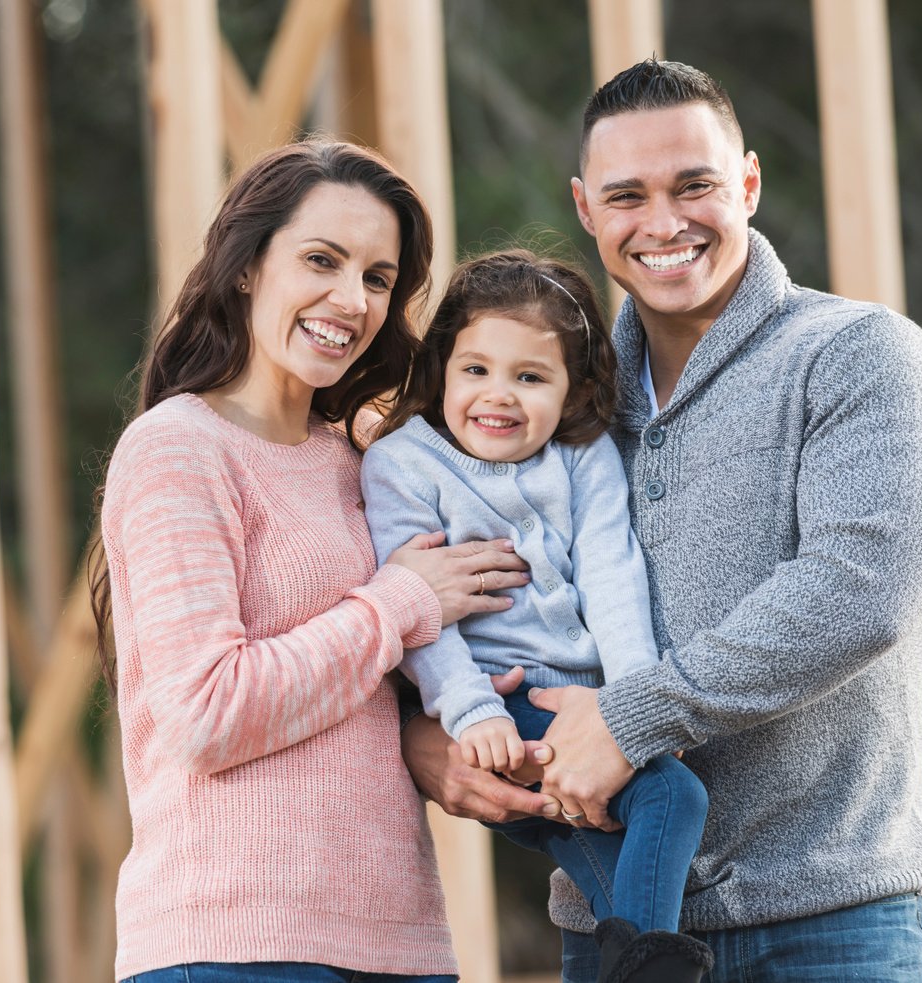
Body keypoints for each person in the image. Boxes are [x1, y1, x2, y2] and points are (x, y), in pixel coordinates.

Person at [400, 59, 922, 983]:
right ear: (587, 210)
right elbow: (446, 580)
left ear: (747, 181)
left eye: (694, 185)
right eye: (628, 195)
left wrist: (632, 716)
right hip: (610, 923)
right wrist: (426, 741)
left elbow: (860, 592)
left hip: (826, 923)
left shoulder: (862, 356)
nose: (663, 224)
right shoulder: (552, 405)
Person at [93, 139, 541, 983]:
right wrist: (400, 601)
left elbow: (361, 692)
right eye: (322, 260)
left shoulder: (363, 462)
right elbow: (204, 712)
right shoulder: (178, 451)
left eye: (377, 277)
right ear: (246, 267)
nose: (351, 298)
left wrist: (448, 720)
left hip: (397, 942)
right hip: (233, 942)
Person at [362, 248, 713, 979]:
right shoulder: (403, 463)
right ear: (442, 369)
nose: (499, 395)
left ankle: (643, 967)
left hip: (585, 705)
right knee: (668, 800)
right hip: (498, 706)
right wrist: (469, 712)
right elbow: (420, 613)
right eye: (477, 369)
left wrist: (636, 703)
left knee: (650, 827)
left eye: (530, 377)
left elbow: (612, 574)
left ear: (573, 390)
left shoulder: (580, 455)